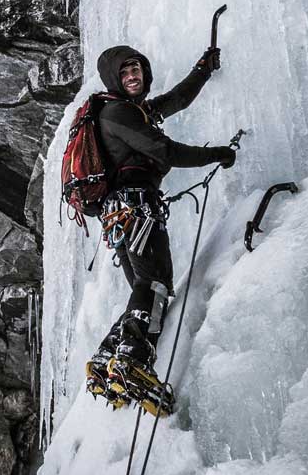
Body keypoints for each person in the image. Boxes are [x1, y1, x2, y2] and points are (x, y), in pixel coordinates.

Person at [83, 43, 237, 415]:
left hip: (123, 214)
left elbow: (175, 100)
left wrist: (203, 69)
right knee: (154, 285)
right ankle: (132, 360)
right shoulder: (117, 113)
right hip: (135, 209)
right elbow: (164, 152)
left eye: (136, 69)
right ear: (113, 81)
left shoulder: (133, 111)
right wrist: (218, 153)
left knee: (146, 287)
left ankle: (108, 360)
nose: (133, 75)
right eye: (125, 72)